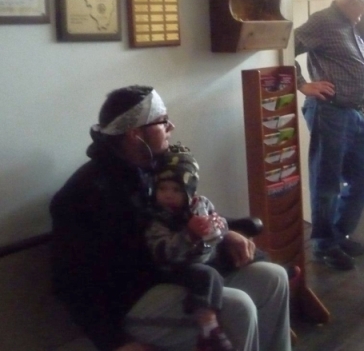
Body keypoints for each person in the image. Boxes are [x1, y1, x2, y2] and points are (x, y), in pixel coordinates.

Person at [50, 85, 291, 351]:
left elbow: (184, 214)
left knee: (273, 277)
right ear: (135, 133)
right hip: (129, 300)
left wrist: (226, 233)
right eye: (162, 120)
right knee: (237, 308)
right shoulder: (84, 194)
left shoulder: (158, 167)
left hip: (175, 275)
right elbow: (69, 282)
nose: (171, 126)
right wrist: (115, 342)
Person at [293, 0, 364, 271]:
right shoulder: (323, 21)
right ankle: (325, 246)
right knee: (326, 182)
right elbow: (283, 47)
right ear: (354, 1)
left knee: (363, 180)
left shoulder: (348, 24)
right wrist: (303, 84)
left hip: (353, 113)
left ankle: (338, 235)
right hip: (329, 112)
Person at [145, 145, 235, 351]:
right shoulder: (157, 218)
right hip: (176, 267)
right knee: (207, 275)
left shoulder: (200, 204)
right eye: (162, 189)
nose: (168, 195)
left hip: (205, 254)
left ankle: (279, 270)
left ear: (190, 189)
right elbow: (163, 252)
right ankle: (209, 328)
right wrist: (190, 235)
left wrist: (219, 227)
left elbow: (219, 223)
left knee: (235, 254)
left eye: (176, 190)